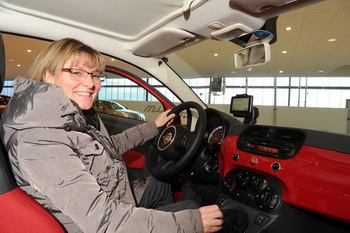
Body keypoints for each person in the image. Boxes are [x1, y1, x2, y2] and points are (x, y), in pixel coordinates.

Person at [0, 38, 223, 233]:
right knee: (193, 211)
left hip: (115, 201)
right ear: (49, 76)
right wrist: (191, 222)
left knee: (161, 179)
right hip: (103, 223)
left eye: (95, 75)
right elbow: (104, 221)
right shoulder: (40, 137)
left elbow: (110, 146)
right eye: (77, 72)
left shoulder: (67, 118)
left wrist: (153, 126)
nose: (90, 83)